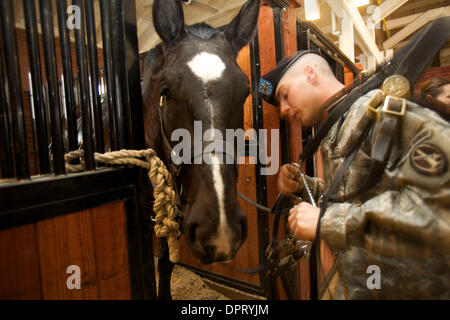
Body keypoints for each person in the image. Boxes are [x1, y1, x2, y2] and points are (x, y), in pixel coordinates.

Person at [259, 51, 450, 299]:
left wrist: (326, 222)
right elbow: (365, 189)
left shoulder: (383, 114)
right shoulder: (342, 123)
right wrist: (305, 186)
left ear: (310, 74)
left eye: (285, 95)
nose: (283, 110)